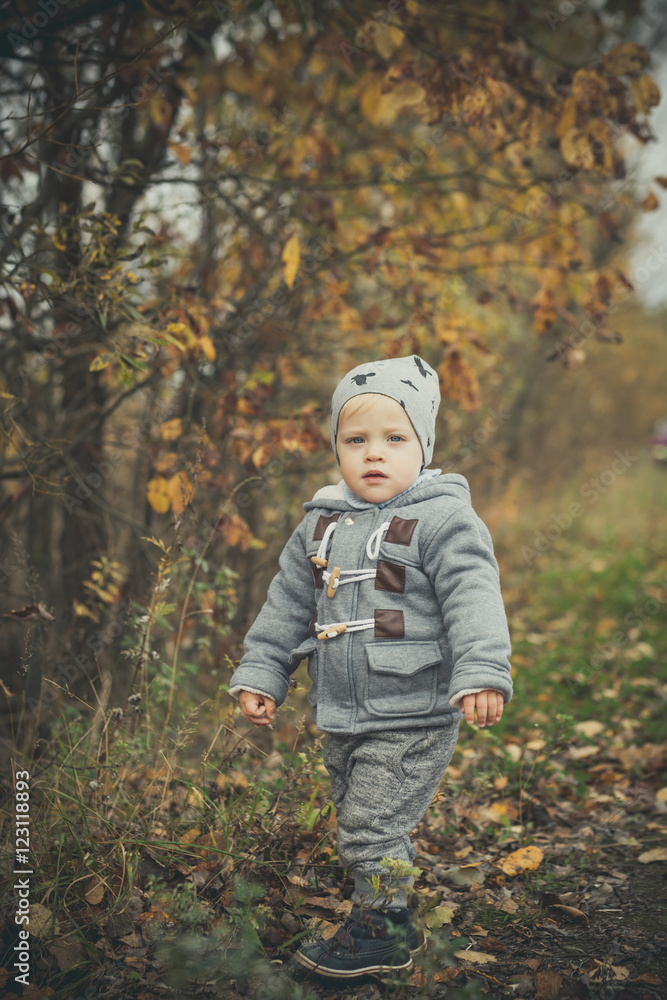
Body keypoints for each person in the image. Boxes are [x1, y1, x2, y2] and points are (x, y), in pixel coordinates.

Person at [228, 354, 512, 979]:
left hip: (414, 709)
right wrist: (263, 672)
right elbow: (287, 607)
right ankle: (394, 918)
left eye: (394, 439)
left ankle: (382, 932)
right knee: (361, 818)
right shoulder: (319, 524)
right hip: (341, 710)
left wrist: (483, 670)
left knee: (369, 825)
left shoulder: (441, 517)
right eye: (355, 440)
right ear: (336, 447)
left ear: (424, 445)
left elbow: (473, 597)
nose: (373, 453)